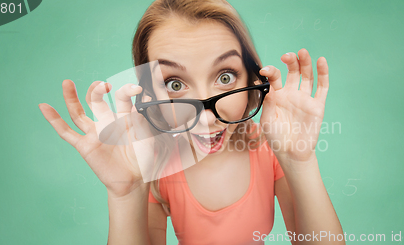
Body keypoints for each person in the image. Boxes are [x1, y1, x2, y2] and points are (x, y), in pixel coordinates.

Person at [38, 0, 345, 244]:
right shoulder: (155, 166)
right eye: (174, 83)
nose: (207, 115)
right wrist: (127, 192)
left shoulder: (268, 149)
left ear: (252, 77)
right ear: (146, 92)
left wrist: (299, 160)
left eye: (225, 77)